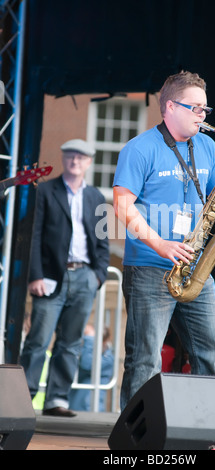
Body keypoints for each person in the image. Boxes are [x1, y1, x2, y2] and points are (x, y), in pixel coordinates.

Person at [113, 71, 215, 410]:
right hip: (150, 267)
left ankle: (212, 431)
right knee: (144, 359)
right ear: (170, 106)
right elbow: (122, 206)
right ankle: (135, 440)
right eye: (195, 107)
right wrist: (161, 244)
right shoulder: (139, 149)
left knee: (213, 350)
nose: (203, 114)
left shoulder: (209, 146)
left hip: (195, 265)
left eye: (205, 109)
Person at [21, 139, 110, 417]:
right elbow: (33, 237)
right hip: (50, 277)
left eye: (80, 158)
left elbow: (103, 241)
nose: (75, 161)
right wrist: (35, 274)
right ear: (63, 159)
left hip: (85, 277)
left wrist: (99, 276)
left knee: (70, 343)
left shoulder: (96, 196)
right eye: (70, 156)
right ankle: (23, 400)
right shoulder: (46, 191)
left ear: (88, 162)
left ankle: (56, 400)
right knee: (38, 340)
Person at [69, 324, 114, 412]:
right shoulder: (85, 352)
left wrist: (89, 339)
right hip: (75, 408)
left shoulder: (108, 358)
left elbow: (87, 364)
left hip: (89, 409)